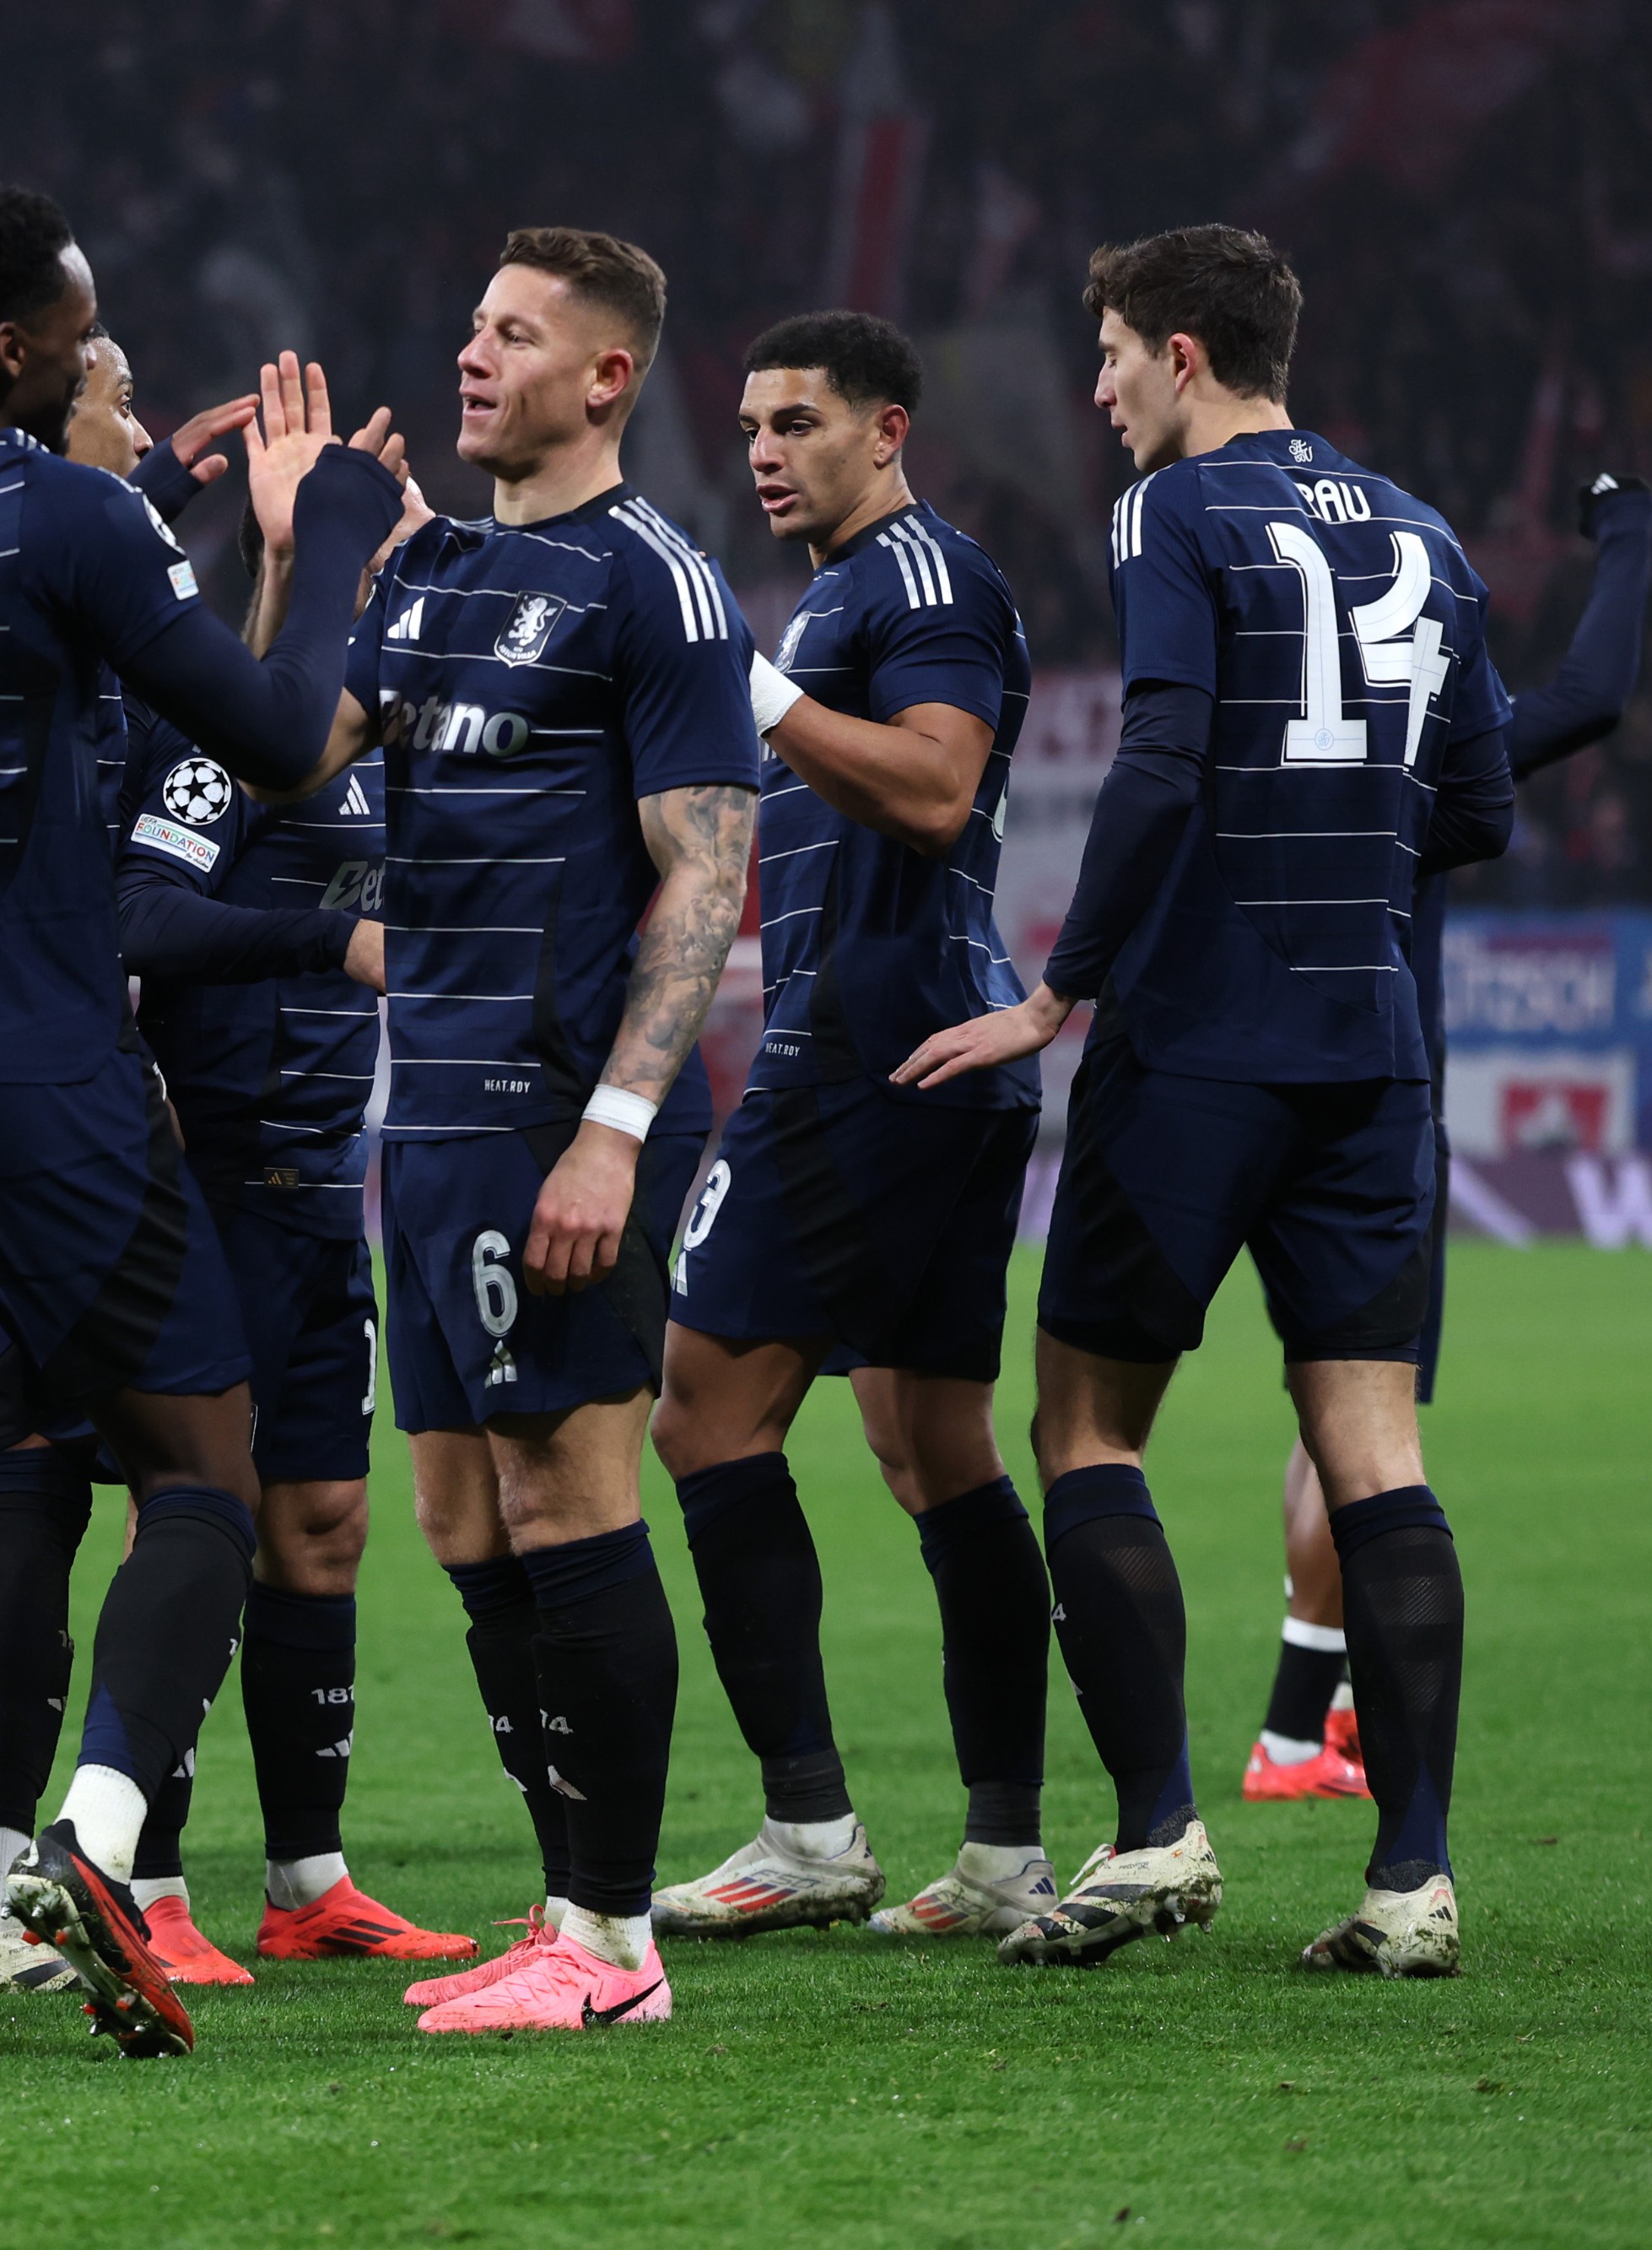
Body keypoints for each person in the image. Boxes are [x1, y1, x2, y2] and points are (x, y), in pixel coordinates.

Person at [0, 182, 402, 2053]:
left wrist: (147, 504)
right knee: (205, 1468)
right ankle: (100, 1839)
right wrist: (331, 527)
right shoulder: (63, 510)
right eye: (87, 329)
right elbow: (282, 736)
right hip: (33, 1080)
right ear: (20, 349)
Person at [895, 225, 1514, 1978]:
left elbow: (1159, 754)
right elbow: (1474, 805)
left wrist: (1055, 990)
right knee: (1374, 1454)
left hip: (1193, 1044)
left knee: (1084, 1430)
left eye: (1103, 355)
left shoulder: (1172, 515)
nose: (1090, 390)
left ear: (1181, 353)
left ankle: (1158, 1830)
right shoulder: (1424, 528)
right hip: (1369, 1048)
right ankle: (1410, 1880)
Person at [0, 336, 468, 1993]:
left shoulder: (400, 714)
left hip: (325, 1183)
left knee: (320, 1522)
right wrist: (338, 945)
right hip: (203, 1172)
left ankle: (305, 1874)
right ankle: (140, 1877)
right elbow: (143, 918)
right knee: (187, 1506)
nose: (398, 549)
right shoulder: (223, 737)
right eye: (372, 536)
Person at [278, 228, 761, 2035]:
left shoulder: (654, 585)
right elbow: (279, 756)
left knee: (570, 1489)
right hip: (433, 1114)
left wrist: (616, 1130)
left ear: (605, 377)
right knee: (463, 1513)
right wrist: (296, 550)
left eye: (513, 335)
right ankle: (567, 1902)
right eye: (469, 325)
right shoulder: (435, 576)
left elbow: (705, 876)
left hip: (562, 1112)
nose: (470, 356)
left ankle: (614, 1944)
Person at [643, 311, 1054, 1942]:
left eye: (798, 421)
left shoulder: (922, 583)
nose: (763, 449)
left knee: (700, 1415)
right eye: (749, 424)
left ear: (887, 430)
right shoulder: (847, 593)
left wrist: (756, 683)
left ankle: (809, 1826)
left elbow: (942, 785)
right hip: (924, 1052)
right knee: (929, 1445)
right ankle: (1007, 1854)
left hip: (868, 1049)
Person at [1243, 469, 1652, 1804]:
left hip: (1253, 1081)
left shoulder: (1258, 737)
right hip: (1380, 1094)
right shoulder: (1429, 751)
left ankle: (1320, 1718)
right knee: (1367, 1418)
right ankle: (1302, 1733)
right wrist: (1627, 526)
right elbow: (1592, 698)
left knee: (1318, 1411)